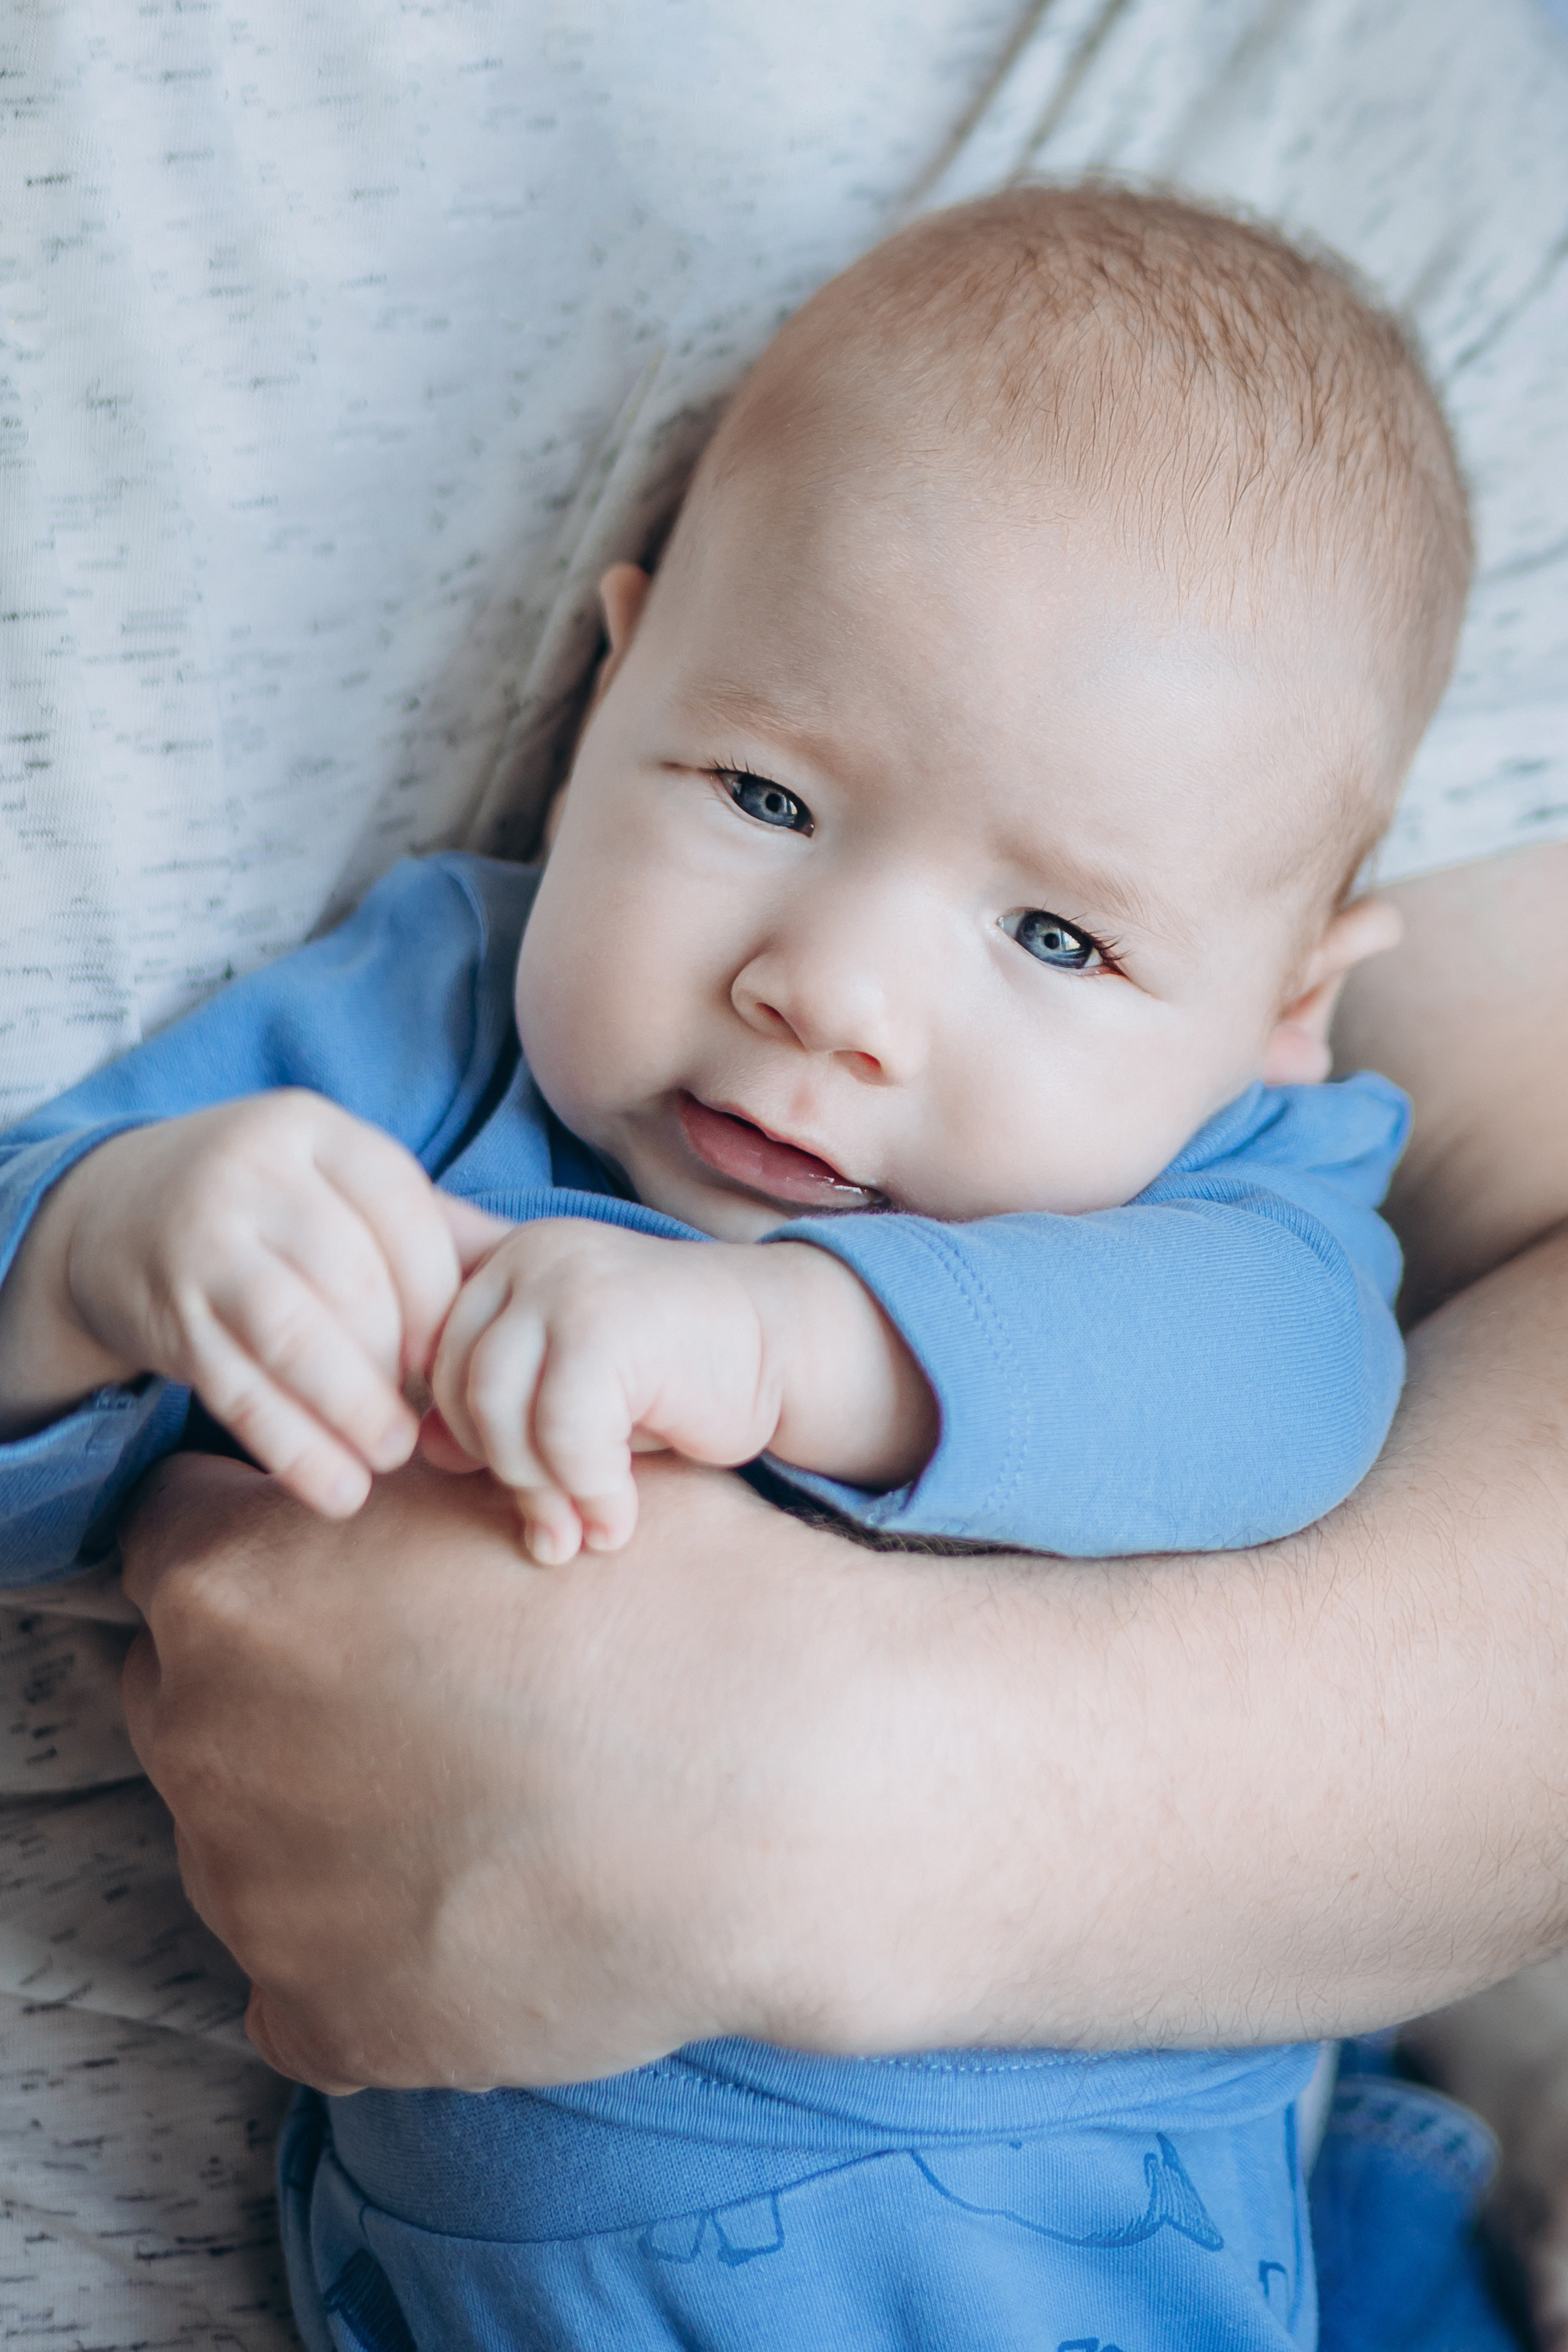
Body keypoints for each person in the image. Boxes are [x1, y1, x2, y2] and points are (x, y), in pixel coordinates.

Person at [1, 4, 1564, 2348]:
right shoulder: (427, 1019)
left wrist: (788, 1342)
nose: (830, 996)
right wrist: (113, 1248)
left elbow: (1291, 1402)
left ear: (1285, 1007)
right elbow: (49, 1281)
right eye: (763, 794)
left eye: (1053, 936)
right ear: (616, 680)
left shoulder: (1229, 1203)